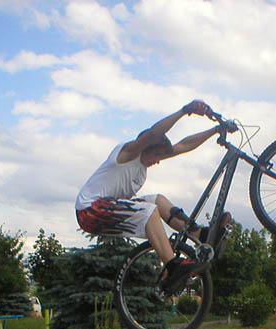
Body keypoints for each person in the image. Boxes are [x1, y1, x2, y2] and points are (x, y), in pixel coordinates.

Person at [75, 99, 231, 293]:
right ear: (146, 148)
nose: (158, 161)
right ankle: (173, 266)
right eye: (156, 155)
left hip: (109, 206)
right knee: (148, 212)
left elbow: (183, 145)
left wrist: (215, 130)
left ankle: (200, 234)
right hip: (89, 210)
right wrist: (185, 110)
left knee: (157, 200)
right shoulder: (127, 153)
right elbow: (153, 134)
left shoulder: (144, 165)